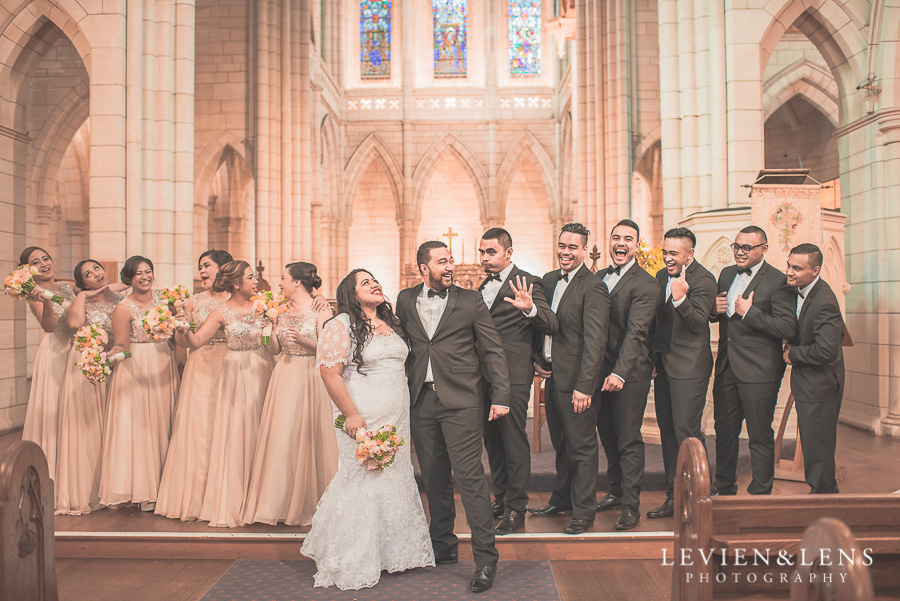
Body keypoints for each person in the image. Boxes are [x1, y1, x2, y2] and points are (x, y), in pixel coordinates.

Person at [301, 269, 434, 589]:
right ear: (351, 292)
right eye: (365, 282)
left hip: (397, 417)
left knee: (393, 476)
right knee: (363, 477)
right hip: (361, 416)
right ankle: (356, 554)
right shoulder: (340, 325)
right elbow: (330, 373)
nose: (375, 284)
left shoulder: (394, 323)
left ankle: (392, 552)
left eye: (375, 279)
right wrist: (350, 415)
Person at [396, 241, 511, 593]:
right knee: (433, 478)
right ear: (423, 268)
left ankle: (485, 561)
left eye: (451, 261)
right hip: (421, 402)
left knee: (471, 479)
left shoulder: (470, 300)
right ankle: (442, 547)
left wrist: (502, 395)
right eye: (442, 262)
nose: (450, 266)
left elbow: (492, 348)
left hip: (462, 402)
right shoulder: (403, 300)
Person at [180, 261, 275, 527]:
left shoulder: (265, 306)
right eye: (250, 277)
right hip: (236, 373)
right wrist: (184, 331)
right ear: (235, 283)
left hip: (264, 368)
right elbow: (197, 342)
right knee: (238, 433)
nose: (255, 281)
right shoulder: (221, 312)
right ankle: (238, 500)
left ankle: (265, 499)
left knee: (264, 431)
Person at [529, 223, 610, 536]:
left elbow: (595, 341)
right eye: (562, 245)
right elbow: (541, 325)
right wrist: (539, 360)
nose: (565, 252)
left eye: (573, 247)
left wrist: (585, 387)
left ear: (585, 250)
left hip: (578, 384)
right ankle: (561, 499)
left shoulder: (594, 287)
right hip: (553, 377)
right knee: (561, 444)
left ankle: (584, 511)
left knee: (581, 448)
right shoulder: (549, 280)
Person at [243, 262, 338, 526]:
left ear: (297, 282)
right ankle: (281, 502)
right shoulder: (279, 311)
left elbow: (329, 349)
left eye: (283, 278)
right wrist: (268, 331)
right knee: (283, 437)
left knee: (311, 436)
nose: (279, 283)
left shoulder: (320, 310)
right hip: (284, 374)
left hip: (311, 376)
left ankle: (315, 501)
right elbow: (273, 350)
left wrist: (304, 341)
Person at [476, 228, 557, 535]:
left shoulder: (527, 282)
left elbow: (550, 323)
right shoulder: (483, 285)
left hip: (512, 374)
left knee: (512, 438)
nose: (485, 257)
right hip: (482, 373)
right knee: (492, 439)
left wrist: (531, 309)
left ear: (508, 253)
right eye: (482, 252)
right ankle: (502, 496)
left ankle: (516, 507)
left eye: (491, 252)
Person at [711, 226, 797, 496]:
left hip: (760, 371)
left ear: (764, 249)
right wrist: (714, 311)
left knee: (759, 435)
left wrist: (750, 314)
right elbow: (722, 315)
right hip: (726, 367)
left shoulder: (778, 281)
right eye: (736, 246)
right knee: (724, 433)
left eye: (746, 248)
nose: (739, 252)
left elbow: (787, 328)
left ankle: (760, 495)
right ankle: (724, 487)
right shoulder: (726, 274)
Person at [155, 249, 233, 521]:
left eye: (207, 265)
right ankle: (197, 498)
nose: (201, 271)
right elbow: (184, 343)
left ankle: (228, 493)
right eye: (200, 266)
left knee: (228, 426)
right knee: (199, 428)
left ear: (224, 268)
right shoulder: (192, 302)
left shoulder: (240, 300)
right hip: (200, 366)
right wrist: (180, 331)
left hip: (230, 365)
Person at [594, 220, 660, 531]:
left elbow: (636, 333)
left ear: (636, 246)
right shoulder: (598, 278)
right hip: (599, 372)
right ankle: (616, 490)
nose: (621, 243)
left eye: (628, 239)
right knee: (607, 434)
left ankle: (631, 506)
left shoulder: (645, 284)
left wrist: (619, 372)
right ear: (609, 242)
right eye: (616, 237)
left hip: (629, 374)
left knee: (628, 439)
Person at [100, 256, 180, 511]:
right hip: (136, 365)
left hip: (163, 362)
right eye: (138, 273)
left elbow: (176, 335)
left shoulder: (165, 300)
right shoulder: (124, 307)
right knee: (140, 426)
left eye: (148, 271)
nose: (145, 277)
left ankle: (165, 486)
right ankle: (141, 489)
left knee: (163, 422)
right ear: (129, 278)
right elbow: (121, 344)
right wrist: (100, 359)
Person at [647, 228, 717, 520]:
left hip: (689, 368)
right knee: (667, 433)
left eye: (674, 253)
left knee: (686, 433)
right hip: (663, 365)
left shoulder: (703, 279)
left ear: (690, 254)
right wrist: (651, 358)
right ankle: (674, 496)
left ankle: (698, 498)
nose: (667, 258)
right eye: (665, 252)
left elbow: (698, 322)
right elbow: (657, 323)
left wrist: (680, 299)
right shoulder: (661, 276)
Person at [56, 260, 123, 515]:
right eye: (88, 274)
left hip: (111, 362)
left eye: (97, 268)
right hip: (84, 361)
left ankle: (110, 487)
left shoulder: (118, 299)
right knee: (86, 426)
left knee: (109, 425)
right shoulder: (82, 299)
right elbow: (74, 325)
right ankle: (86, 489)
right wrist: (83, 296)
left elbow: (124, 284)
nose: (96, 274)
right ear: (82, 283)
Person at [784, 243, 844, 494]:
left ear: (815, 270)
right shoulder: (802, 290)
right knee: (813, 446)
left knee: (818, 450)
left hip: (821, 386)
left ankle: (825, 502)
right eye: (789, 265)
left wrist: (792, 354)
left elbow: (826, 350)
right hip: (810, 384)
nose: (789, 272)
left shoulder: (824, 300)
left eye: (797, 268)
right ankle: (821, 497)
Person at [17, 246, 76, 482]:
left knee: (73, 406)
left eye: (45, 258)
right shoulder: (32, 293)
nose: (43, 264)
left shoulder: (65, 286)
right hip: (54, 351)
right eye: (35, 262)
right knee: (56, 406)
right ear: (27, 270)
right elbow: (49, 326)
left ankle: (72, 464)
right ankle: (52, 472)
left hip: (75, 348)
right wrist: (48, 303)